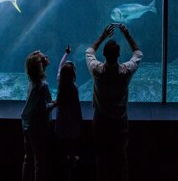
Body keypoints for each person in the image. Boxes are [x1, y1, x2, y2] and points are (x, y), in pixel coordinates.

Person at [85, 23, 143, 181]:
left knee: (101, 158)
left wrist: (102, 37)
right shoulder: (126, 71)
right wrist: (127, 35)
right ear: (119, 55)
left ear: (103, 54)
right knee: (120, 159)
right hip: (119, 122)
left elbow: (89, 52)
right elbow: (138, 53)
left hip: (100, 121)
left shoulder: (97, 70)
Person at [21, 50, 57, 181]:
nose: (47, 56)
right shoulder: (43, 85)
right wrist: (54, 104)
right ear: (40, 64)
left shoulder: (32, 81)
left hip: (27, 123)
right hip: (37, 127)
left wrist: (34, 54)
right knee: (40, 160)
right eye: (44, 57)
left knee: (28, 157)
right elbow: (42, 108)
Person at [54, 44, 83, 181]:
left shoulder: (60, 83)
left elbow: (60, 66)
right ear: (74, 75)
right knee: (72, 145)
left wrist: (66, 54)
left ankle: (62, 164)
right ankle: (72, 162)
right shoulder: (74, 88)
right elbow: (77, 106)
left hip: (60, 123)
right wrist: (80, 118)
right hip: (72, 124)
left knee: (62, 146)